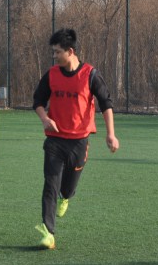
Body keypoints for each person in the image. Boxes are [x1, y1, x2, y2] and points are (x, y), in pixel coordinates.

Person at [32, 28, 120, 249]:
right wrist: (45, 119)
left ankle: (66, 196)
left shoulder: (90, 75)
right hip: (54, 140)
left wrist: (110, 134)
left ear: (70, 51)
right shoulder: (52, 74)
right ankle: (48, 232)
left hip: (79, 141)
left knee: (68, 187)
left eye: (57, 52)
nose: (54, 56)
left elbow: (106, 104)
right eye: (53, 52)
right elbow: (38, 101)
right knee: (50, 183)